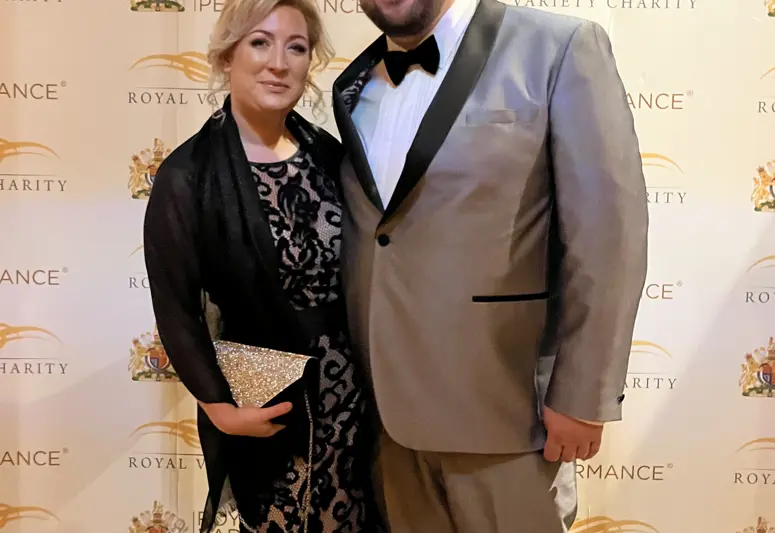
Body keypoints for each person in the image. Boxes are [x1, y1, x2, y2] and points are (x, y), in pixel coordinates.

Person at [332, 0, 649, 530]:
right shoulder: (355, 83)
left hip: (506, 413)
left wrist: (583, 395)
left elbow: (608, 233)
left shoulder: (559, 48)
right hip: (387, 421)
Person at [142, 1, 380, 532]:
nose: (278, 62)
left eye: (296, 47)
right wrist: (220, 409)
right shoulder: (188, 176)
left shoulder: (329, 155)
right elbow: (176, 308)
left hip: (353, 404)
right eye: (260, 43)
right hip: (271, 411)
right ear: (227, 56)